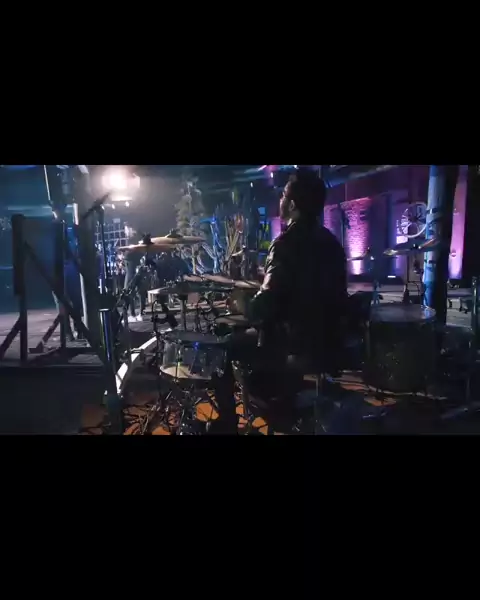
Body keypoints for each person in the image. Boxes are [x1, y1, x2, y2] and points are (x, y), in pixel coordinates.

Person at [212, 168, 348, 434]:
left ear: (293, 205)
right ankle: (286, 398)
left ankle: (229, 422)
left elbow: (264, 307)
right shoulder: (332, 243)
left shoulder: (285, 243)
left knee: (224, 345)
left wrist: (242, 303)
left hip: (293, 344)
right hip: (329, 341)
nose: (281, 200)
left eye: (284, 195)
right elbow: (307, 288)